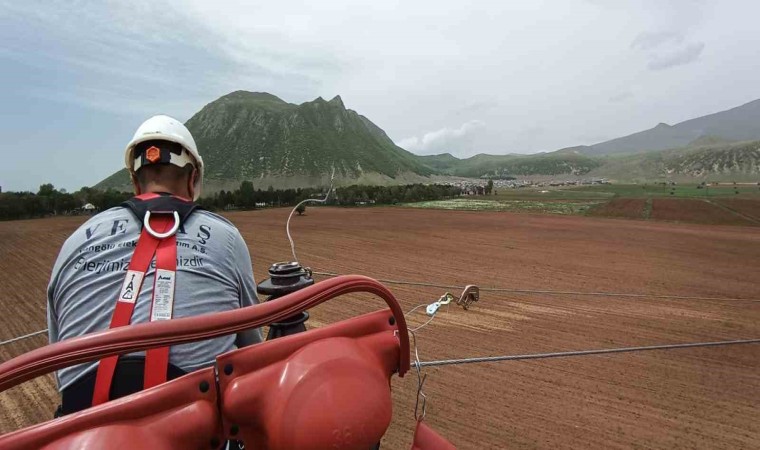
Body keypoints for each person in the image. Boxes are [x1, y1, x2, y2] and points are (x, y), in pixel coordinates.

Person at [46, 115, 262, 414]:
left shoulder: (75, 241)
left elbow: (60, 354)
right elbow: (253, 349)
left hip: (83, 430)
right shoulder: (225, 237)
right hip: (193, 427)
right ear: (193, 178)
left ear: (135, 180)